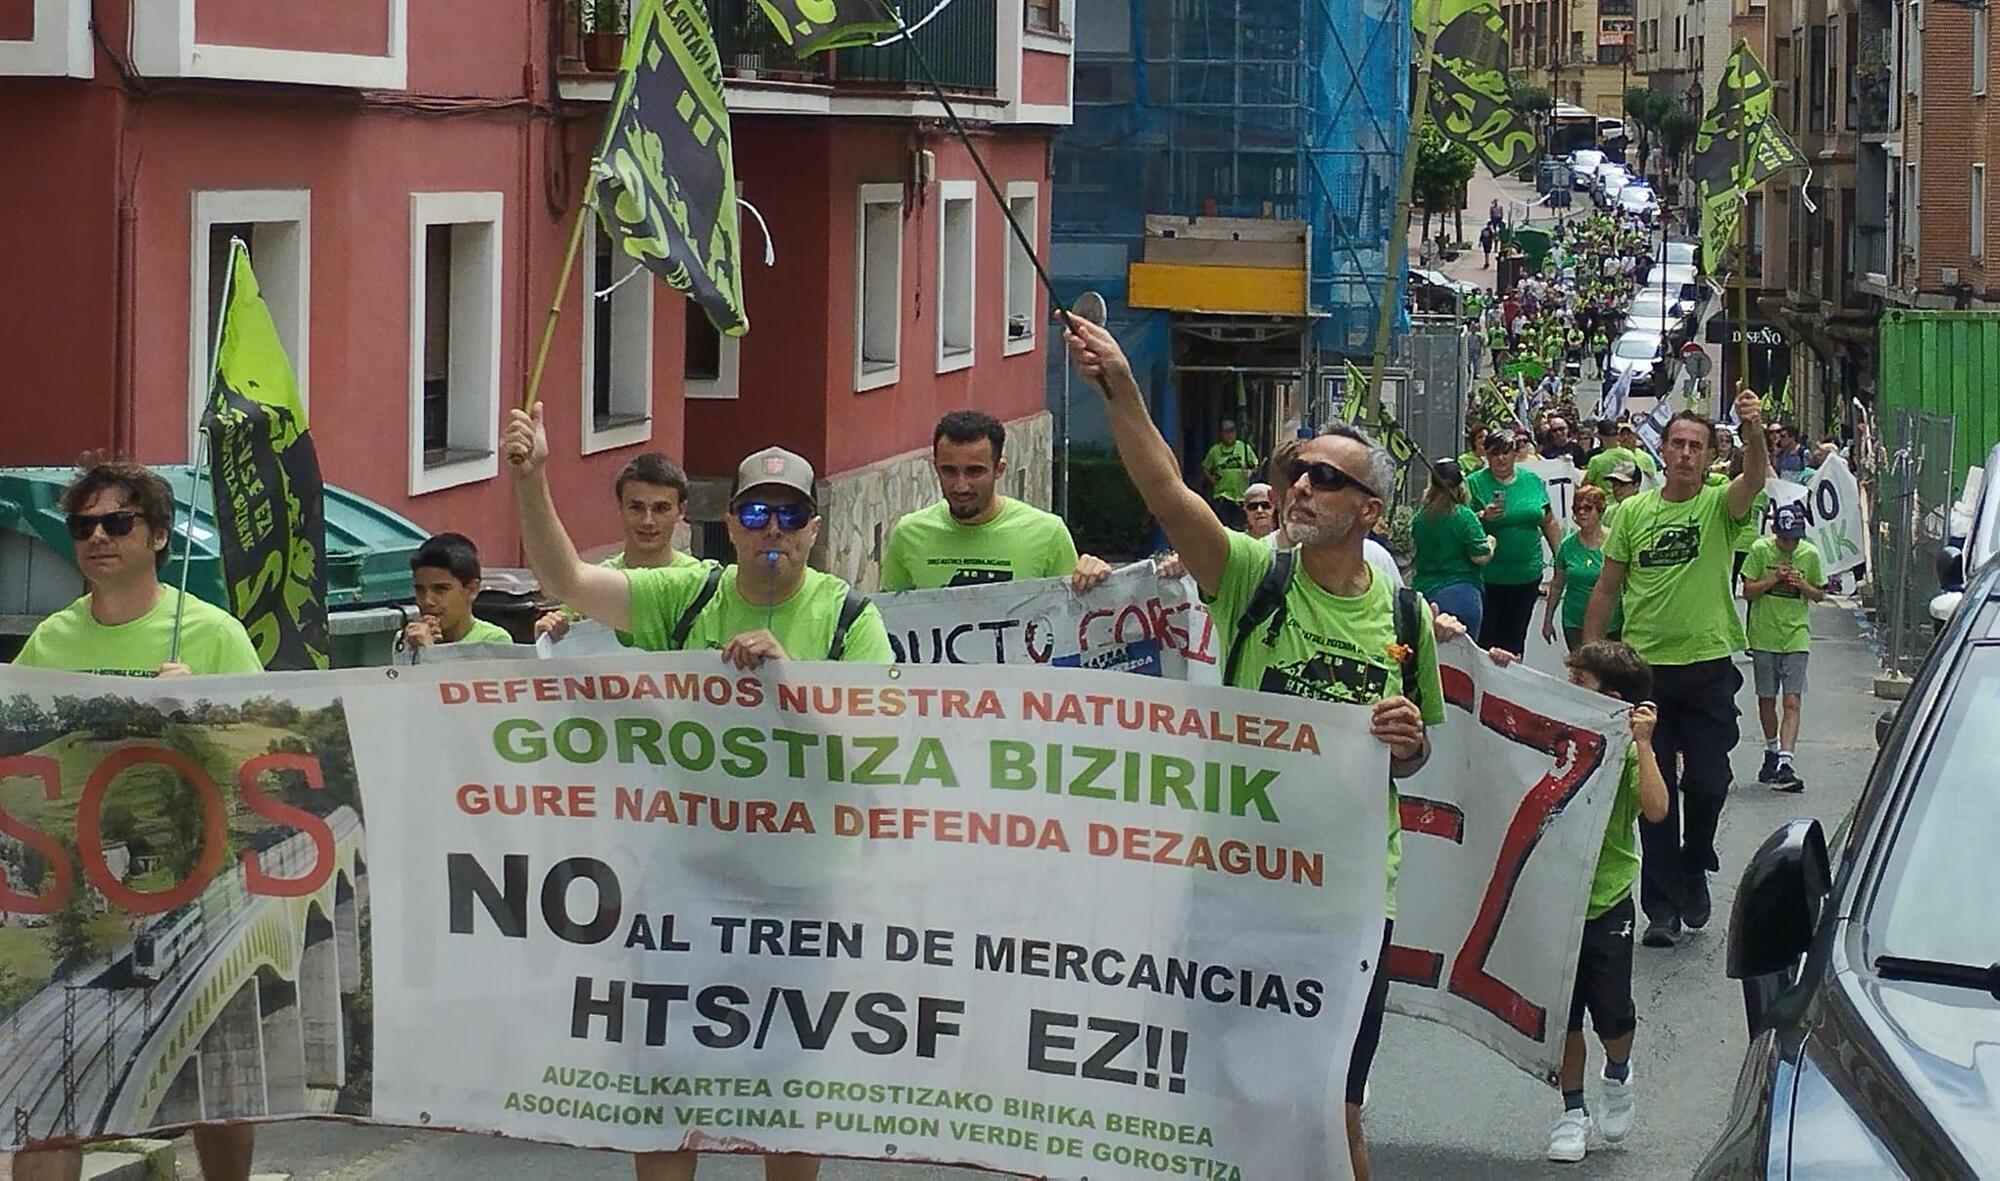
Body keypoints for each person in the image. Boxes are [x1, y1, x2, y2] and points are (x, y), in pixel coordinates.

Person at [1066, 318, 1442, 1181]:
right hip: (1239, 882)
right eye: (1298, 471)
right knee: (1225, 1101)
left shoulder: (1404, 618)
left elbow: (1415, 759)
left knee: (1332, 1112)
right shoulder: (1251, 577)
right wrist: (1120, 387)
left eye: (1327, 477)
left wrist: (1410, 740)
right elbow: (1167, 494)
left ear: (1369, 509)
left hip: (1349, 898)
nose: (1301, 486)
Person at [505, 406, 890, 1181]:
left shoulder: (851, 618)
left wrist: (791, 686)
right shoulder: (685, 596)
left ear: (813, 528)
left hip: (802, 893)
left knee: (789, 1091)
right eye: (756, 512)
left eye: (789, 514)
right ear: (730, 525)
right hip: (687, 885)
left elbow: (874, 759)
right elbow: (567, 581)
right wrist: (531, 476)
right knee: (666, 1084)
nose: (771, 529)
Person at [11, 461, 262, 1181]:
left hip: (197, 893)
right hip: (77, 898)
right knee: (48, 1099)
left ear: (157, 535)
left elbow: (265, 754)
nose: (97, 536)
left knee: (219, 1092)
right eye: (83, 524)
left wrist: (204, 705)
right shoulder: (50, 640)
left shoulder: (213, 635)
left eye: (116, 522)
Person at [1584, 386, 1771, 949]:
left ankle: (1695, 864)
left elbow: (1756, 480)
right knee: (1653, 792)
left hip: (1709, 666)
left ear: (1710, 457)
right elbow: (1607, 586)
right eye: (1677, 444)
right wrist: (1589, 659)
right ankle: (1660, 907)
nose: (1686, 454)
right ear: (1660, 451)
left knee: (1710, 784)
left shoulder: (1719, 505)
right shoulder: (1633, 513)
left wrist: (1753, 428)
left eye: (1697, 446)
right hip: (1647, 674)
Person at [1487, 641, 1666, 1163]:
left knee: (1612, 1015)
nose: (1568, 688)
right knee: (1562, 1016)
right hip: (1552, 896)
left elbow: (1655, 811)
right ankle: (1572, 1111)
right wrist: (1500, 673)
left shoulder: (1630, 750)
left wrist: (1646, 745)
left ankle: (1618, 1073)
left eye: (1580, 683)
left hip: (1606, 900)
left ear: (1610, 697)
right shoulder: (1557, 733)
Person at [880, 410, 1109, 592]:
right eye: (949, 471)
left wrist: (1097, 580)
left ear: (999, 469)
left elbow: (1074, 617)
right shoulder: (908, 533)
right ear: (935, 467)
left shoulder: (1048, 533)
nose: (960, 485)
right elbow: (887, 622)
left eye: (974, 471)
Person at [534, 451, 706, 643]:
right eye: (636, 507)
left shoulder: (700, 583)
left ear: (680, 511)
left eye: (660, 509)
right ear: (620, 507)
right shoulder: (594, 582)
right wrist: (549, 634)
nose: (648, 521)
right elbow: (564, 641)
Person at [1742, 504, 1825, 793]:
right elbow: (1747, 590)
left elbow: (1819, 594)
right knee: (1766, 697)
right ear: (1775, 532)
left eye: (1794, 539)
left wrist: (1801, 584)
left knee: (1791, 700)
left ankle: (1786, 760)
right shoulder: (1760, 550)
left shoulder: (1809, 554)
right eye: (1784, 539)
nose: (1789, 545)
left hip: (1795, 636)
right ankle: (1771, 749)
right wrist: (1773, 579)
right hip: (1764, 635)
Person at [1468, 431, 1563, 656]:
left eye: (1506, 453)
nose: (1501, 459)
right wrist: (1482, 516)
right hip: (1488, 578)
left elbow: (1547, 519)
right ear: (1486, 456)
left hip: (1526, 576)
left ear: (1514, 455)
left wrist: (1561, 557)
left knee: (1514, 640)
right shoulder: (1473, 483)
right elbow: (1461, 522)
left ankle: (1510, 687)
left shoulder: (1531, 481)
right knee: (1488, 641)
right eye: (1494, 453)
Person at [1412, 459, 1494, 639]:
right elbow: (1479, 556)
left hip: (1426, 595)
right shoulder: (1464, 516)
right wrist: (1490, 543)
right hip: (1461, 595)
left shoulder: (1420, 517)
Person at [401, 532, 515, 649]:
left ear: (471, 590)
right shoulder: (409, 638)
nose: (427, 601)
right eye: (420, 590)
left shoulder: (493, 640)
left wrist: (429, 651)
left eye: (440, 590)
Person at [1544, 484, 1620, 650]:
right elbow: (1557, 585)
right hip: (1574, 621)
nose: (1582, 513)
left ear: (1600, 510)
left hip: (1610, 622)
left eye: (1588, 508)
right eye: (1577, 509)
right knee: (1582, 671)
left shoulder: (1615, 541)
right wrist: (1548, 621)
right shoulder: (1567, 545)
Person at [1199, 419, 1259, 530]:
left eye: (1232, 431)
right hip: (1222, 496)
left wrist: (1250, 472)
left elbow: (1255, 465)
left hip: (1240, 497)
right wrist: (1211, 479)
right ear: (1221, 433)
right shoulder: (1215, 451)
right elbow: (1205, 467)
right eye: (1226, 431)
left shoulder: (1244, 448)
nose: (1229, 434)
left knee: (1239, 528)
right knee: (1223, 528)